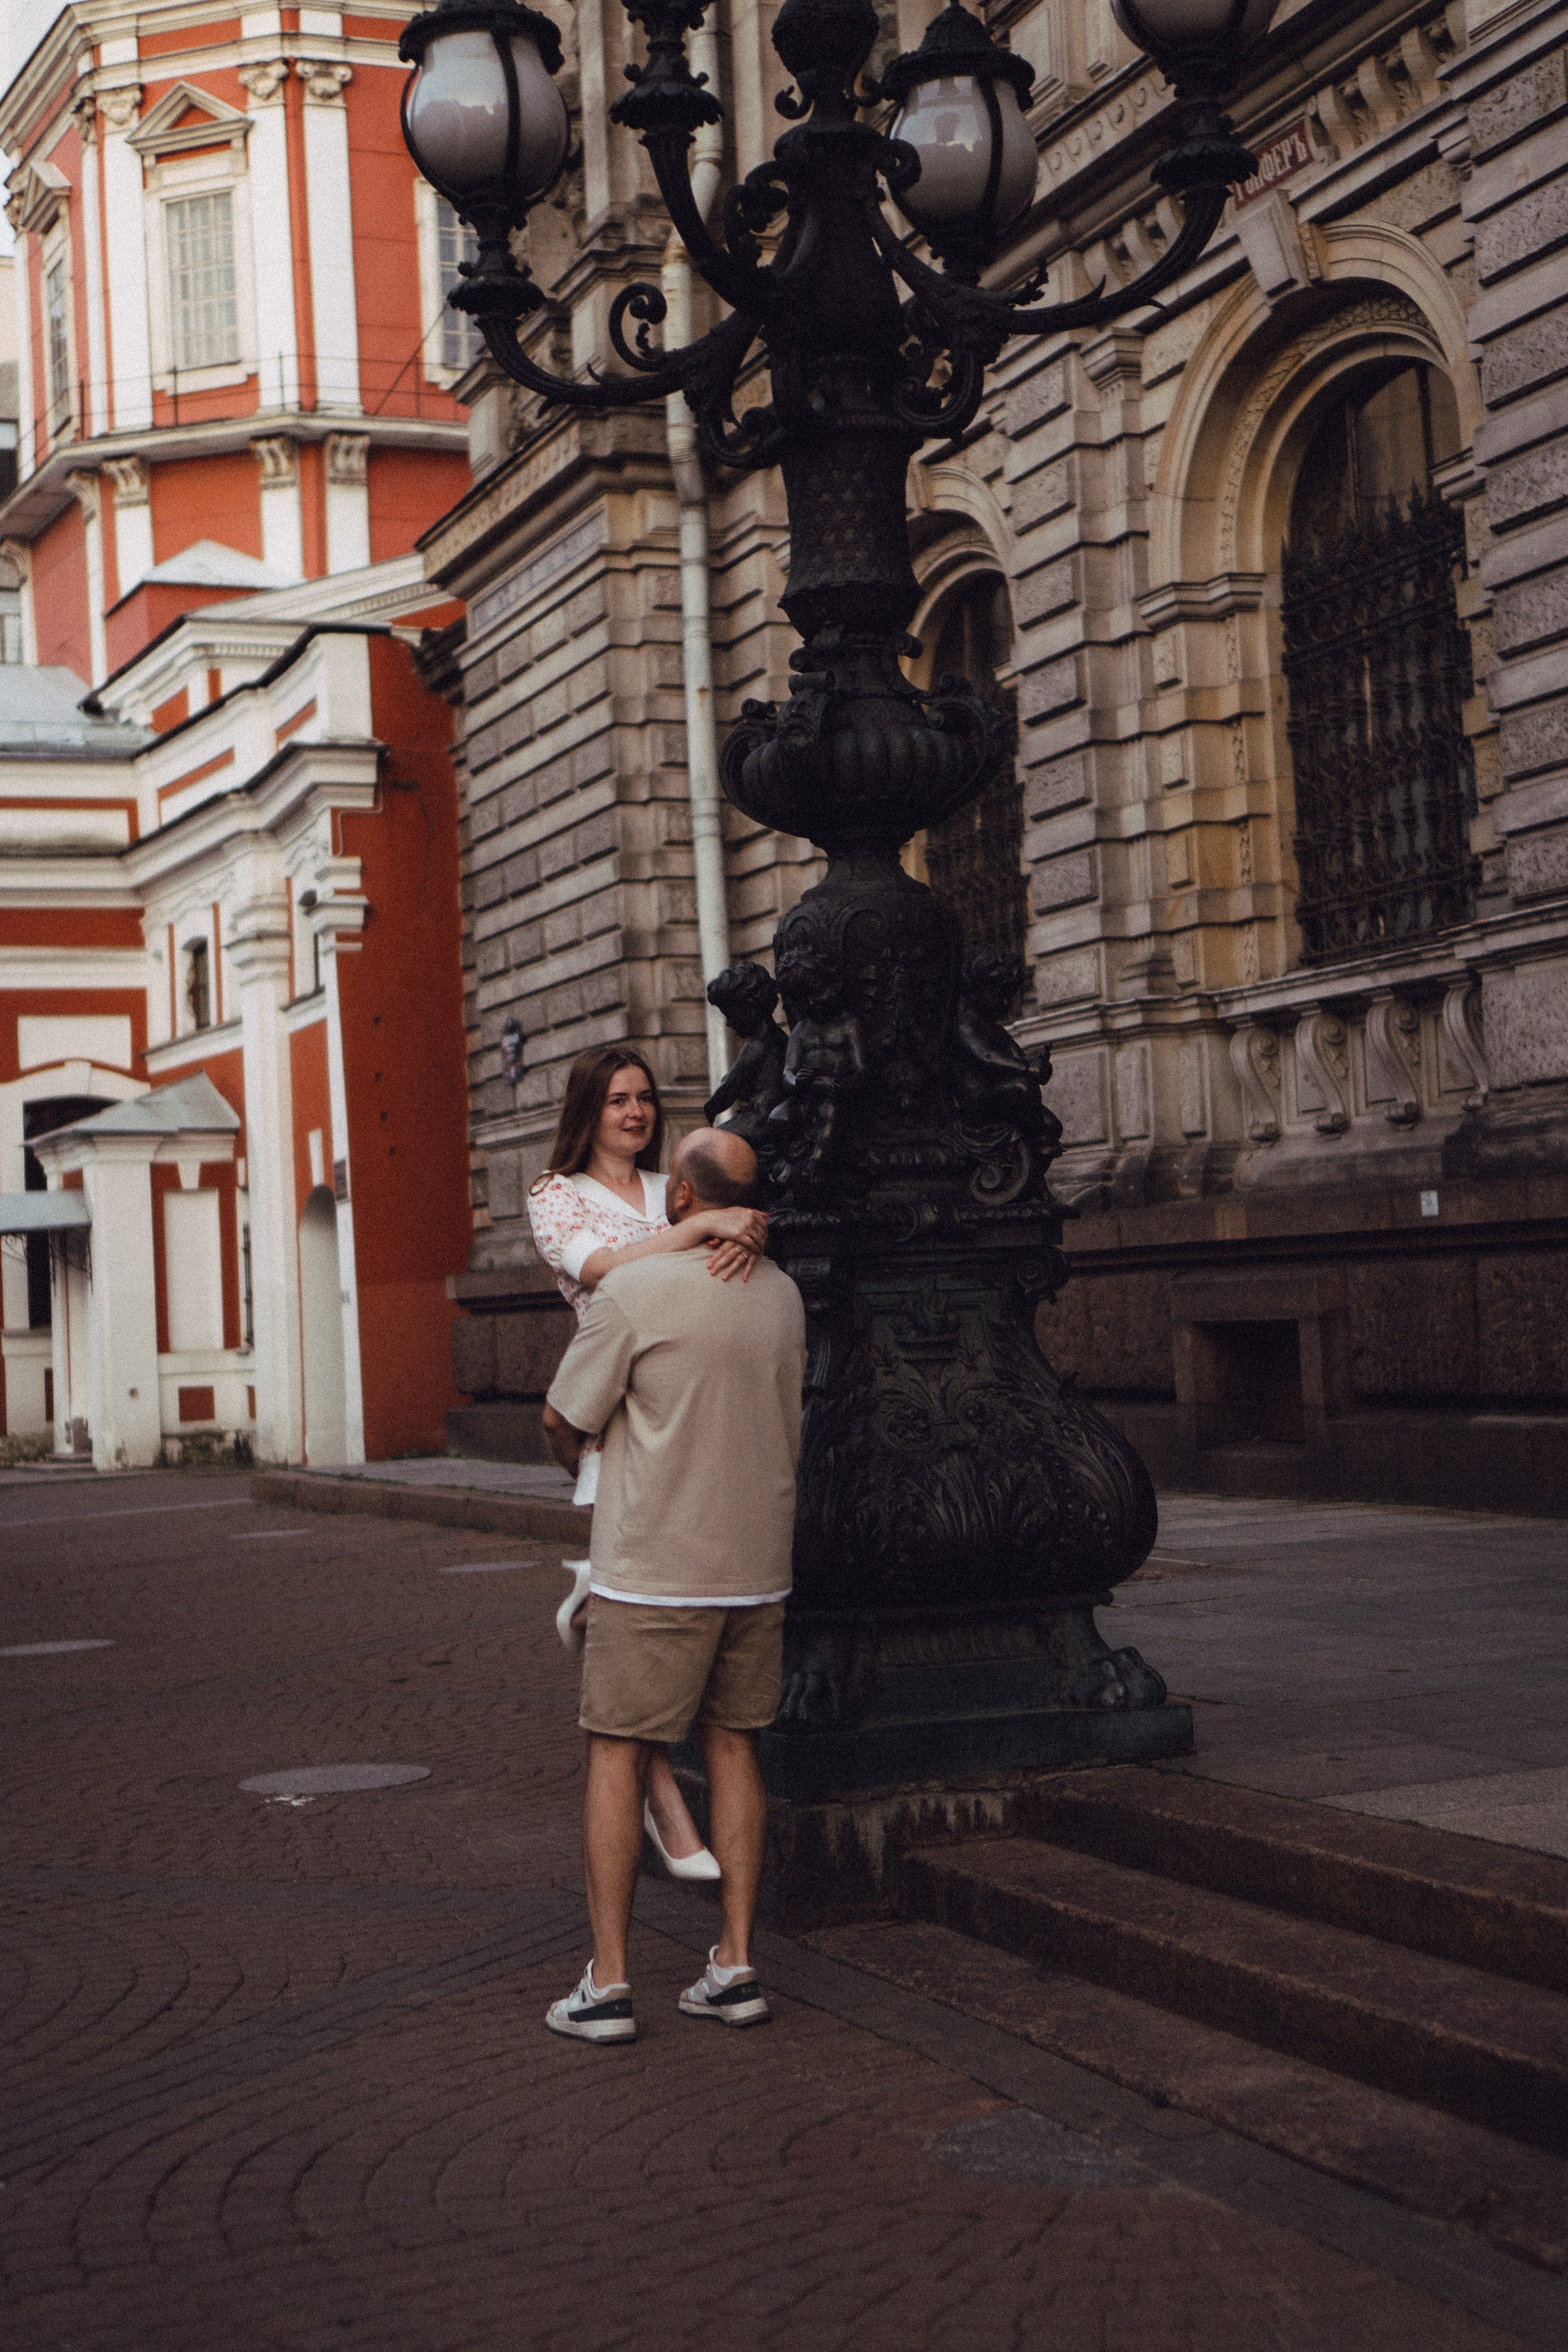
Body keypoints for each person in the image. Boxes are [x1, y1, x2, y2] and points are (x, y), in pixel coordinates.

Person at [540, 1126, 806, 2044]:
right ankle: (735, 1966)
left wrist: (598, 1464)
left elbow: (562, 1418)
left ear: (681, 1200)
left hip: (655, 1568)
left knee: (616, 1753)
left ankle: (609, 1985)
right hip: (757, 1565)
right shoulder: (784, 1294)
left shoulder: (634, 1290)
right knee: (735, 1749)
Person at [529, 1046, 769, 1883]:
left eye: (644, 1099)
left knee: (646, 1604)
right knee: (622, 1612)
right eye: (617, 1100)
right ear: (587, 1112)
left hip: (695, 1408)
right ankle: (664, 1803)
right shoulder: (557, 1196)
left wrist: (744, 1234)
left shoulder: (676, 1185)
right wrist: (700, 1230)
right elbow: (597, 1271)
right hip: (617, 1411)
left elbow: (725, 1263)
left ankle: (590, 1621)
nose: (636, 1112)